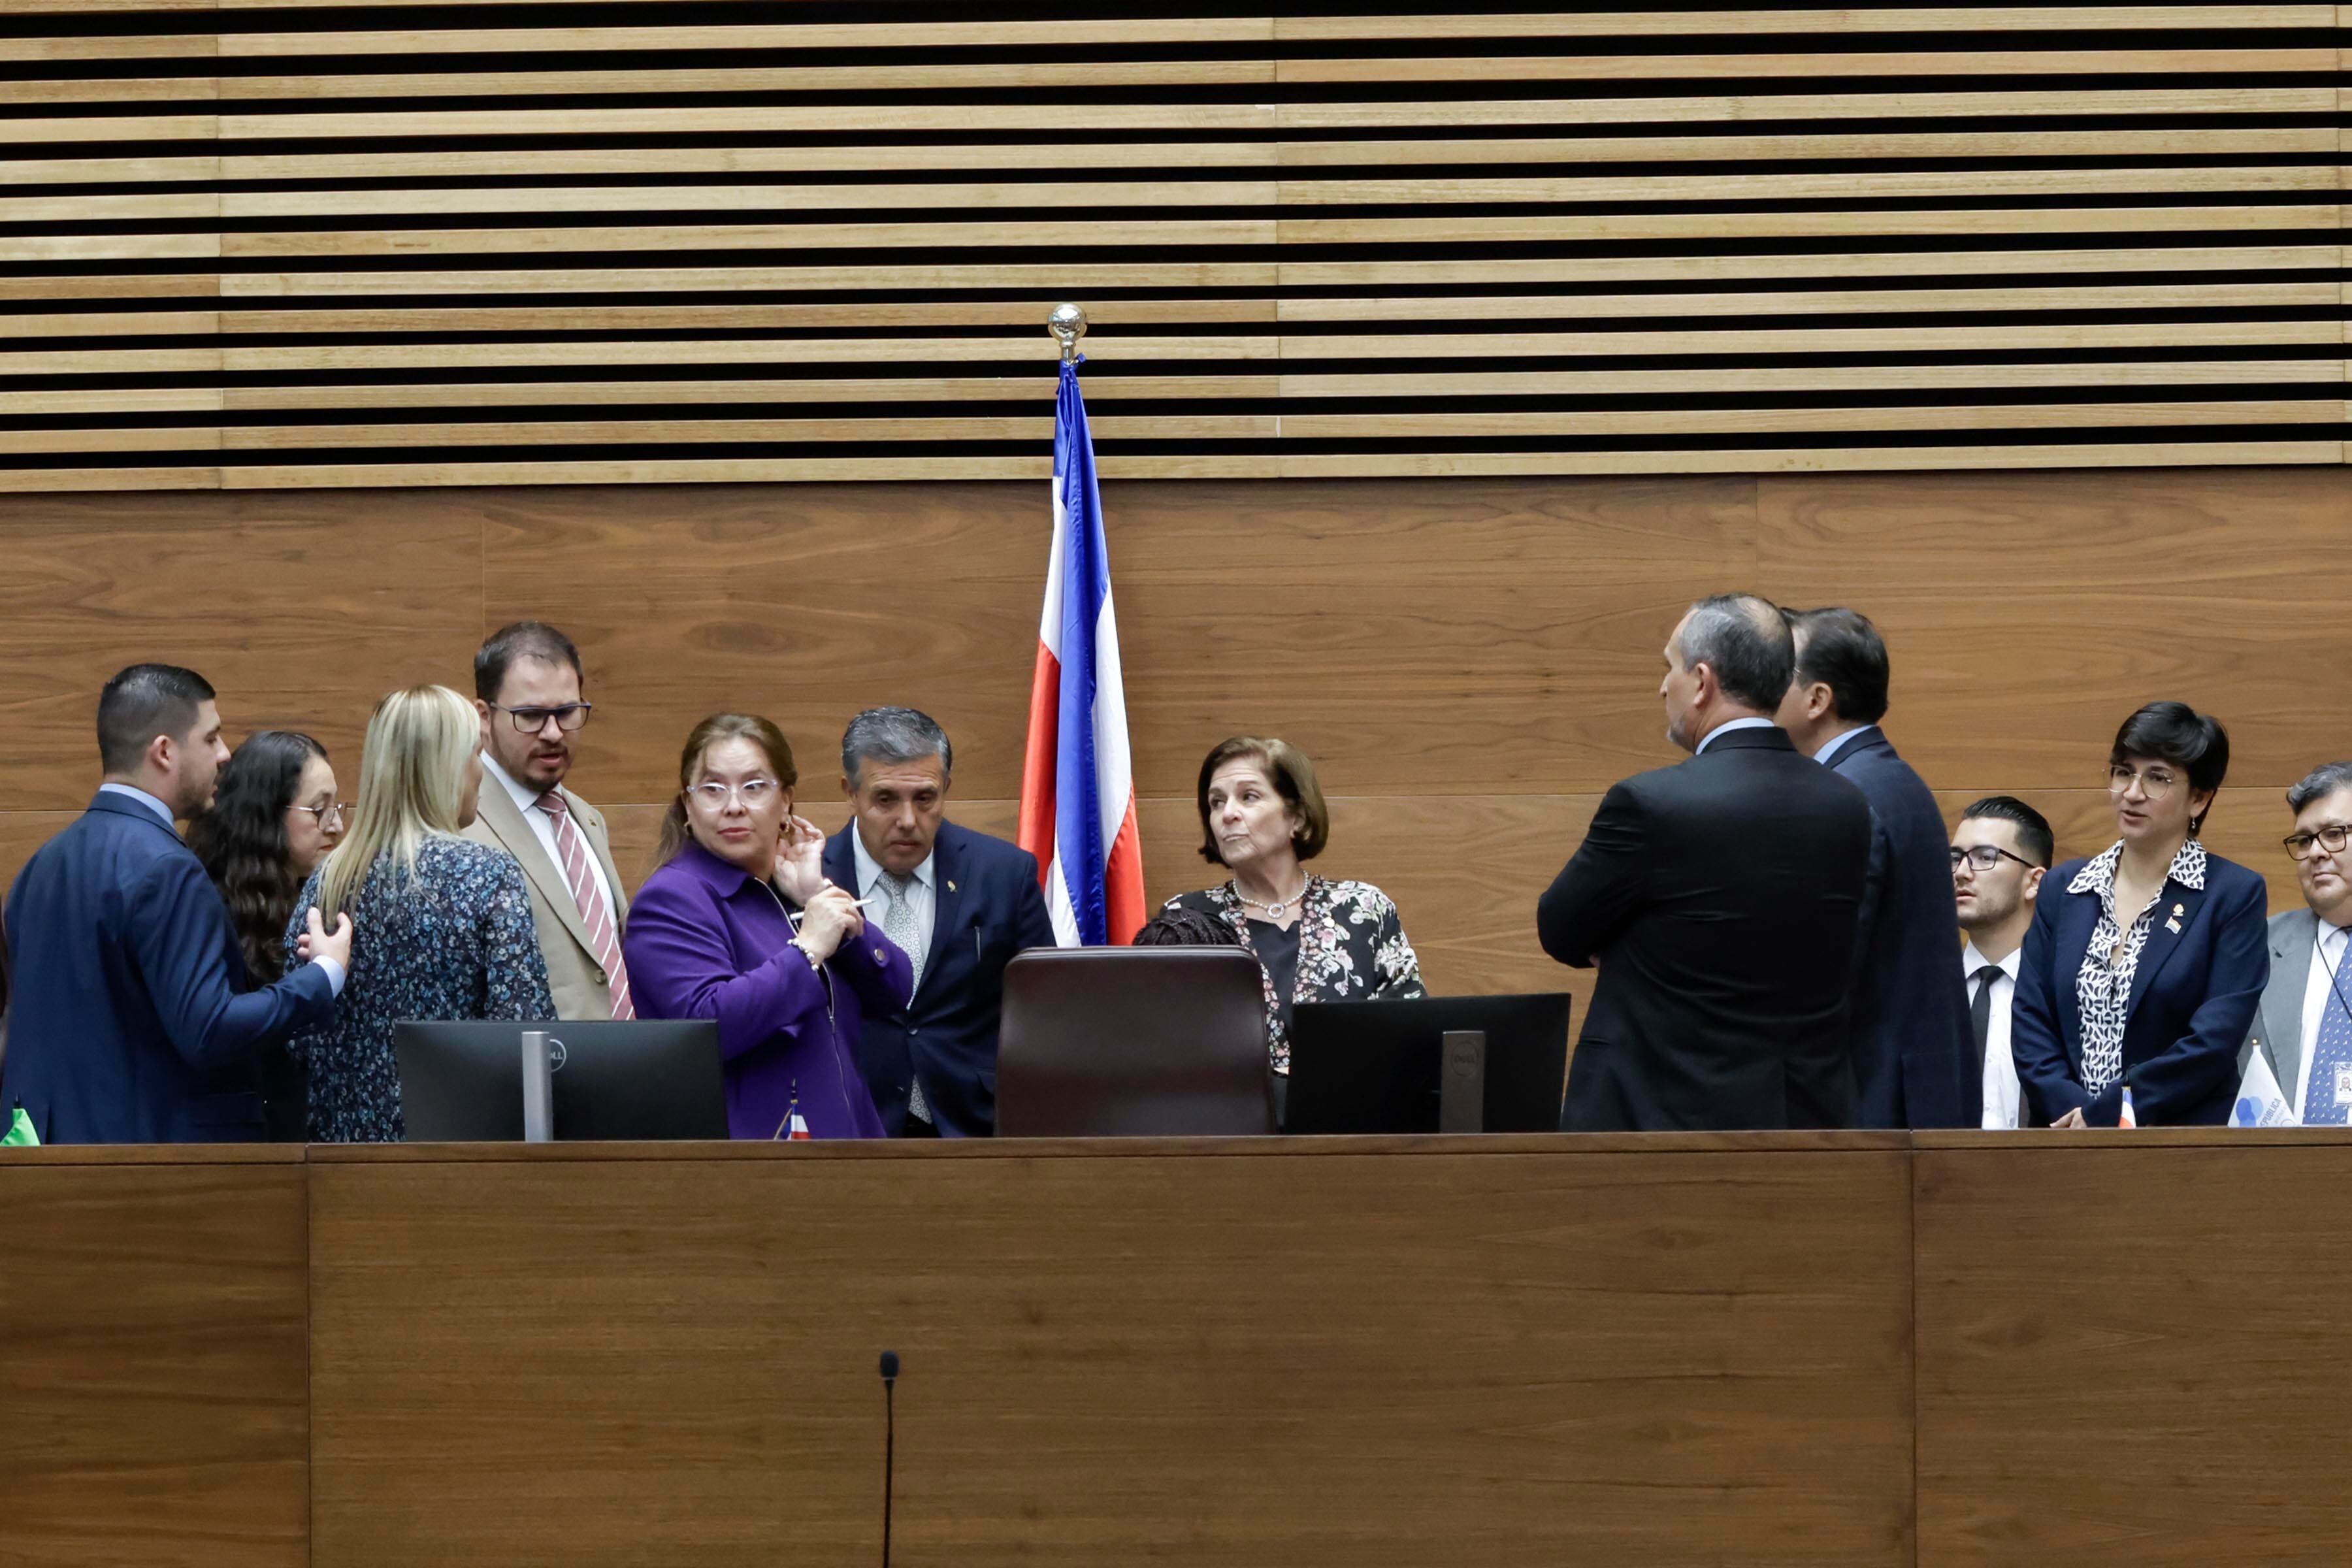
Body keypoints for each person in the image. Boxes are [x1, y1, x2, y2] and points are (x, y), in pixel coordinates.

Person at [1539, 594, 1873, 1132]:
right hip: (1802, 1119)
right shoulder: (1847, 806)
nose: (1662, 686)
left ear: (1701, 681)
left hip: (1660, 1119)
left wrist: (1633, 947)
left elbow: (1559, 928)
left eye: (1668, 666)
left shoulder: (1649, 804)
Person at [1, 664, 351, 1143]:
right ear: (165, 751)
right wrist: (322, 978)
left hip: (44, 1158)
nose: (225, 755)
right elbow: (208, 1029)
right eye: (211, 739)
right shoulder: (166, 867)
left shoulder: (40, 867)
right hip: (148, 1172)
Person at [286, 686, 553, 1142]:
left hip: (341, 1163)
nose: (480, 775)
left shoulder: (327, 881)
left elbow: (295, 1040)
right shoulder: (488, 875)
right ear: (445, 768)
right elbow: (528, 1034)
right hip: (459, 1158)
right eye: (474, 756)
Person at [625, 714, 911, 1139]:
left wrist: (816, 893)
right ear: (688, 805)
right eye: (712, 789)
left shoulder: (788, 891)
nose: (734, 805)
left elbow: (895, 990)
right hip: (753, 1167)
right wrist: (807, 949)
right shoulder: (672, 899)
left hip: (849, 1151)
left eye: (754, 786)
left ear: (786, 801)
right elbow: (705, 1031)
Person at [2010, 702, 2268, 1128]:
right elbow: (2031, 1018)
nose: (2132, 792)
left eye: (2158, 778)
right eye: (2124, 771)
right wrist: (2070, 1113)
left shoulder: (2232, 894)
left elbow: (2212, 1044)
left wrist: (2106, 1115)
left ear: (2199, 799)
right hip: (2062, 1140)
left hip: (2176, 1149)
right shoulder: (2066, 887)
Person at [1777, 607, 1975, 1128]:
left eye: (1778, 673)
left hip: (1878, 1099)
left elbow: (1829, 971)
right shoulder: (1885, 776)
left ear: (1817, 700)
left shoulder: (1849, 795)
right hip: (1910, 1090)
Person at [821, 708, 1055, 1138]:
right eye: (885, 799)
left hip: (978, 1129)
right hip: (850, 1129)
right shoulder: (810, 879)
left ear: (946, 788)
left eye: (925, 798)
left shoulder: (1004, 873)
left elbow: (1047, 1015)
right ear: (850, 792)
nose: (908, 820)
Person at [1160, 736, 1423, 1112]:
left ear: (1296, 817)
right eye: (1216, 802)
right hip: (1226, 1140)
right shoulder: (1186, 920)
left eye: (1248, 797)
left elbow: (1413, 1037)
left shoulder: (1363, 909)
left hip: (1353, 1138)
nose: (1227, 814)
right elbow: (1159, 1052)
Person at [460, 621, 633, 1021]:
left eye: (567, 712)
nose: (554, 733)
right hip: (530, 1074)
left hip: (619, 1069)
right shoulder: (457, 828)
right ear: (484, 716)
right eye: (532, 715)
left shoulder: (587, 819)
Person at [188, 730, 346, 1141]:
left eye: (338, 807)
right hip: (242, 1144)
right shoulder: (208, 908)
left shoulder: (322, 903)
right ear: (267, 816)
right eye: (319, 810)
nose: (337, 826)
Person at [2239, 762, 2352, 1123]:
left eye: (2334, 834)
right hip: (2283, 1171)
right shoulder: (2255, 949)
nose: (2316, 852)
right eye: (2304, 840)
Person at [1950, 796, 2053, 1130]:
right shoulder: (1924, 992)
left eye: (1985, 857)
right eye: (1955, 858)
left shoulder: (2063, 990)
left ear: (2034, 882)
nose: (1962, 873)